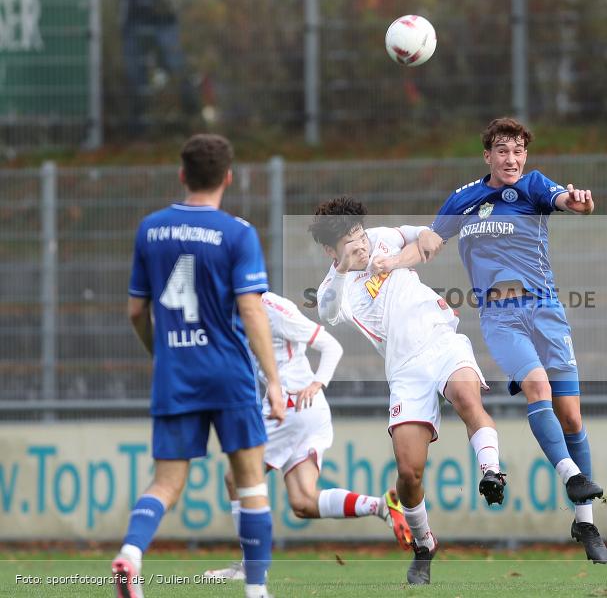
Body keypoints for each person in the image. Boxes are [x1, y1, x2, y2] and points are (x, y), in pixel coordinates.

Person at [416, 117, 607, 564]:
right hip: (501, 318)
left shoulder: (534, 186)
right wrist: (390, 260)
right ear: (487, 156)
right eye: (503, 150)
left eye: (519, 150)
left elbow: (570, 201)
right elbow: (428, 241)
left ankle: (585, 521)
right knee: (537, 388)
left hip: (547, 312)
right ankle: (571, 475)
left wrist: (580, 201)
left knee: (573, 419)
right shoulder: (464, 200)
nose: (512, 158)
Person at [115, 134, 284, 598]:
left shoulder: (150, 229)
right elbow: (252, 310)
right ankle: (255, 591)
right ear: (228, 177)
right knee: (250, 482)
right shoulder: (237, 233)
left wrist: (162, 353)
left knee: (166, 482)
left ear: (182, 174)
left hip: (177, 373)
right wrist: (272, 380)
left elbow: (135, 311)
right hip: (228, 372)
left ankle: (130, 554)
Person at [310, 197, 506, 585]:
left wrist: (427, 234)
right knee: (408, 473)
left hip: (441, 339)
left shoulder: (380, 238)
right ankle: (424, 544)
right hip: (404, 370)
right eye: (348, 241)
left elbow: (412, 234)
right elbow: (326, 312)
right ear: (331, 250)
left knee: (468, 399)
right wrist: (341, 269)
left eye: (358, 233)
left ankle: (492, 472)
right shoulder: (337, 289)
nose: (360, 243)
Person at [203, 290, 412, 581]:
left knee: (236, 478)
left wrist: (318, 383)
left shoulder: (272, 309)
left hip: (292, 408)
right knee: (303, 502)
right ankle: (379, 506)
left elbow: (330, 346)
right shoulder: (236, 309)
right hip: (302, 412)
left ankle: (251, 566)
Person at [120, 0, 200, 135]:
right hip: (134, 20)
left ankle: (193, 121)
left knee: (177, 67)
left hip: (165, 18)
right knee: (136, 79)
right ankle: (137, 131)